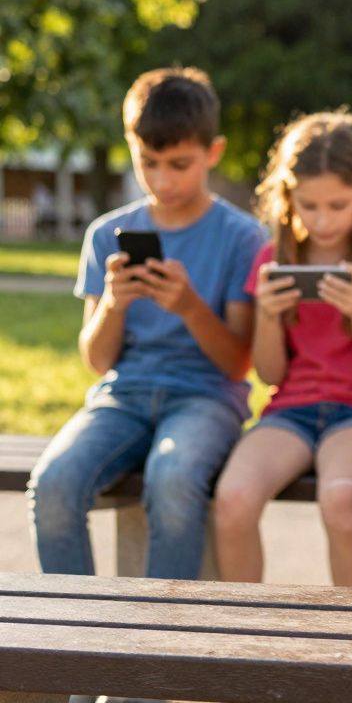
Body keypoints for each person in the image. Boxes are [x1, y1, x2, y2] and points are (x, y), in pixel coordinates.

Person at [27, 67, 265, 579]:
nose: (162, 180)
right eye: (148, 163)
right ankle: (76, 639)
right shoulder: (107, 233)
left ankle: (165, 643)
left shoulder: (243, 238)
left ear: (213, 152)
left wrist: (189, 307)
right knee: (53, 486)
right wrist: (113, 304)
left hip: (206, 397)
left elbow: (237, 362)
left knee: (173, 478)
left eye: (179, 164)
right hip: (124, 395)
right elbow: (96, 361)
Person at [212, 111, 352, 587]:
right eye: (309, 206)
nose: (322, 220)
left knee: (342, 499)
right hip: (291, 411)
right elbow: (268, 373)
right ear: (288, 199)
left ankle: (349, 641)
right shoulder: (272, 259)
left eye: (337, 205)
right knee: (233, 498)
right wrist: (266, 314)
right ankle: (242, 637)